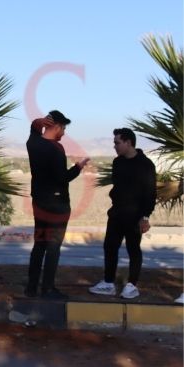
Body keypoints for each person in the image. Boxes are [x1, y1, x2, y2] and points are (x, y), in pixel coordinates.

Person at [25, 110, 89, 300]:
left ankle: (31, 287)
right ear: (57, 126)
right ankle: (48, 288)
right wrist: (78, 167)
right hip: (57, 205)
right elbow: (63, 178)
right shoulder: (56, 149)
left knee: (39, 245)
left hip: (39, 202)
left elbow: (33, 129)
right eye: (63, 128)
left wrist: (38, 122)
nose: (64, 133)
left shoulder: (33, 143)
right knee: (53, 247)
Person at [89, 128, 156, 299]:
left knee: (133, 249)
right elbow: (117, 187)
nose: (115, 146)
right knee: (110, 247)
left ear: (128, 142)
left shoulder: (146, 165)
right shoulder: (117, 162)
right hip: (117, 214)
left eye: (117, 143)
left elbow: (150, 194)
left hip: (135, 216)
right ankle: (108, 283)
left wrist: (145, 217)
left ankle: (132, 285)